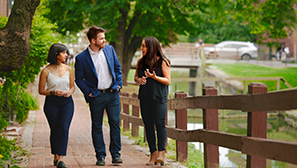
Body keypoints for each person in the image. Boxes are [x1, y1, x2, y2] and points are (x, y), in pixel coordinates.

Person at [75, 26, 123, 166]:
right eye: (101, 38)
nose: (104, 40)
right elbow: (79, 79)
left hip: (112, 94)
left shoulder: (110, 50)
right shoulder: (81, 58)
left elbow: (117, 69)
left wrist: (118, 85)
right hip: (96, 96)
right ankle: (100, 156)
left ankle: (116, 154)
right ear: (93, 40)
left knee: (115, 123)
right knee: (97, 126)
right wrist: (89, 92)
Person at [134, 36, 171, 166]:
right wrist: (139, 80)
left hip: (159, 97)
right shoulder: (140, 61)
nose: (141, 48)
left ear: (151, 47)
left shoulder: (163, 62)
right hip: (145, 97)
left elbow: (168, 80)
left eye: (144, 46)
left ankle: (161, 152)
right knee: (148, 126)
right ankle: (153, 154)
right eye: (142, 45)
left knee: (160, 124)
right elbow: (136, 77)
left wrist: (155, 77)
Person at [38, 43, 75, 168]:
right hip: (52, 103)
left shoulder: (69, 69)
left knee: (64, 128)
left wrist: (69, 92)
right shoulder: (45, 71)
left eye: (66, 53)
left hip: (67, 102)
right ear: (56, 54)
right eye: (64, 53)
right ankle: (55, 155)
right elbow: (41, 90)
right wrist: (53, 92)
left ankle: (60, 159)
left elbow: (72, 87)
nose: (66, 55)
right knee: (55, 129)